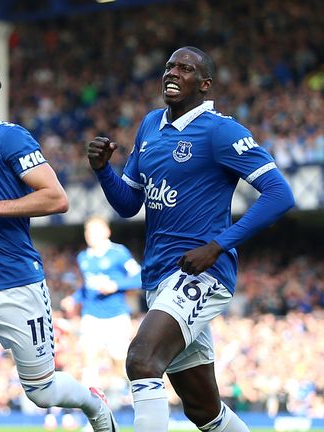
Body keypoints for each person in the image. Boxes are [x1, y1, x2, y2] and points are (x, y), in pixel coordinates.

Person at [87, 46, 295, 432]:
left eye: (185, 68)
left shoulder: (221, 130)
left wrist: (219, 245)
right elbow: (129, 203)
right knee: (203, 409)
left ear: (204, 85)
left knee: (141, 359)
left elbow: (280, 194)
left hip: (203, 273)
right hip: (159, 277)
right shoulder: (150, 125)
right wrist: (103, 172)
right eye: (169, 66)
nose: (173, 72)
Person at [0, 57, 117, 432]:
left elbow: (56, 198)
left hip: (16, 283)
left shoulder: (10, 138)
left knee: (42, 391)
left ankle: (94, 404)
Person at [63, 215, 141, 385]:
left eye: (94, 230)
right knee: (87, 358)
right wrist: (74, 298)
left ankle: (134, 396)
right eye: (87, 231)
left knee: (120, 362)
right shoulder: (83, 257)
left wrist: (116, 285)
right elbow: (86, 287)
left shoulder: (119, 253)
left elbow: (140, 277)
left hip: (116, 315)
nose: (89, 234)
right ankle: (93, 407)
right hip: (91, 315)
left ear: (106, 231)